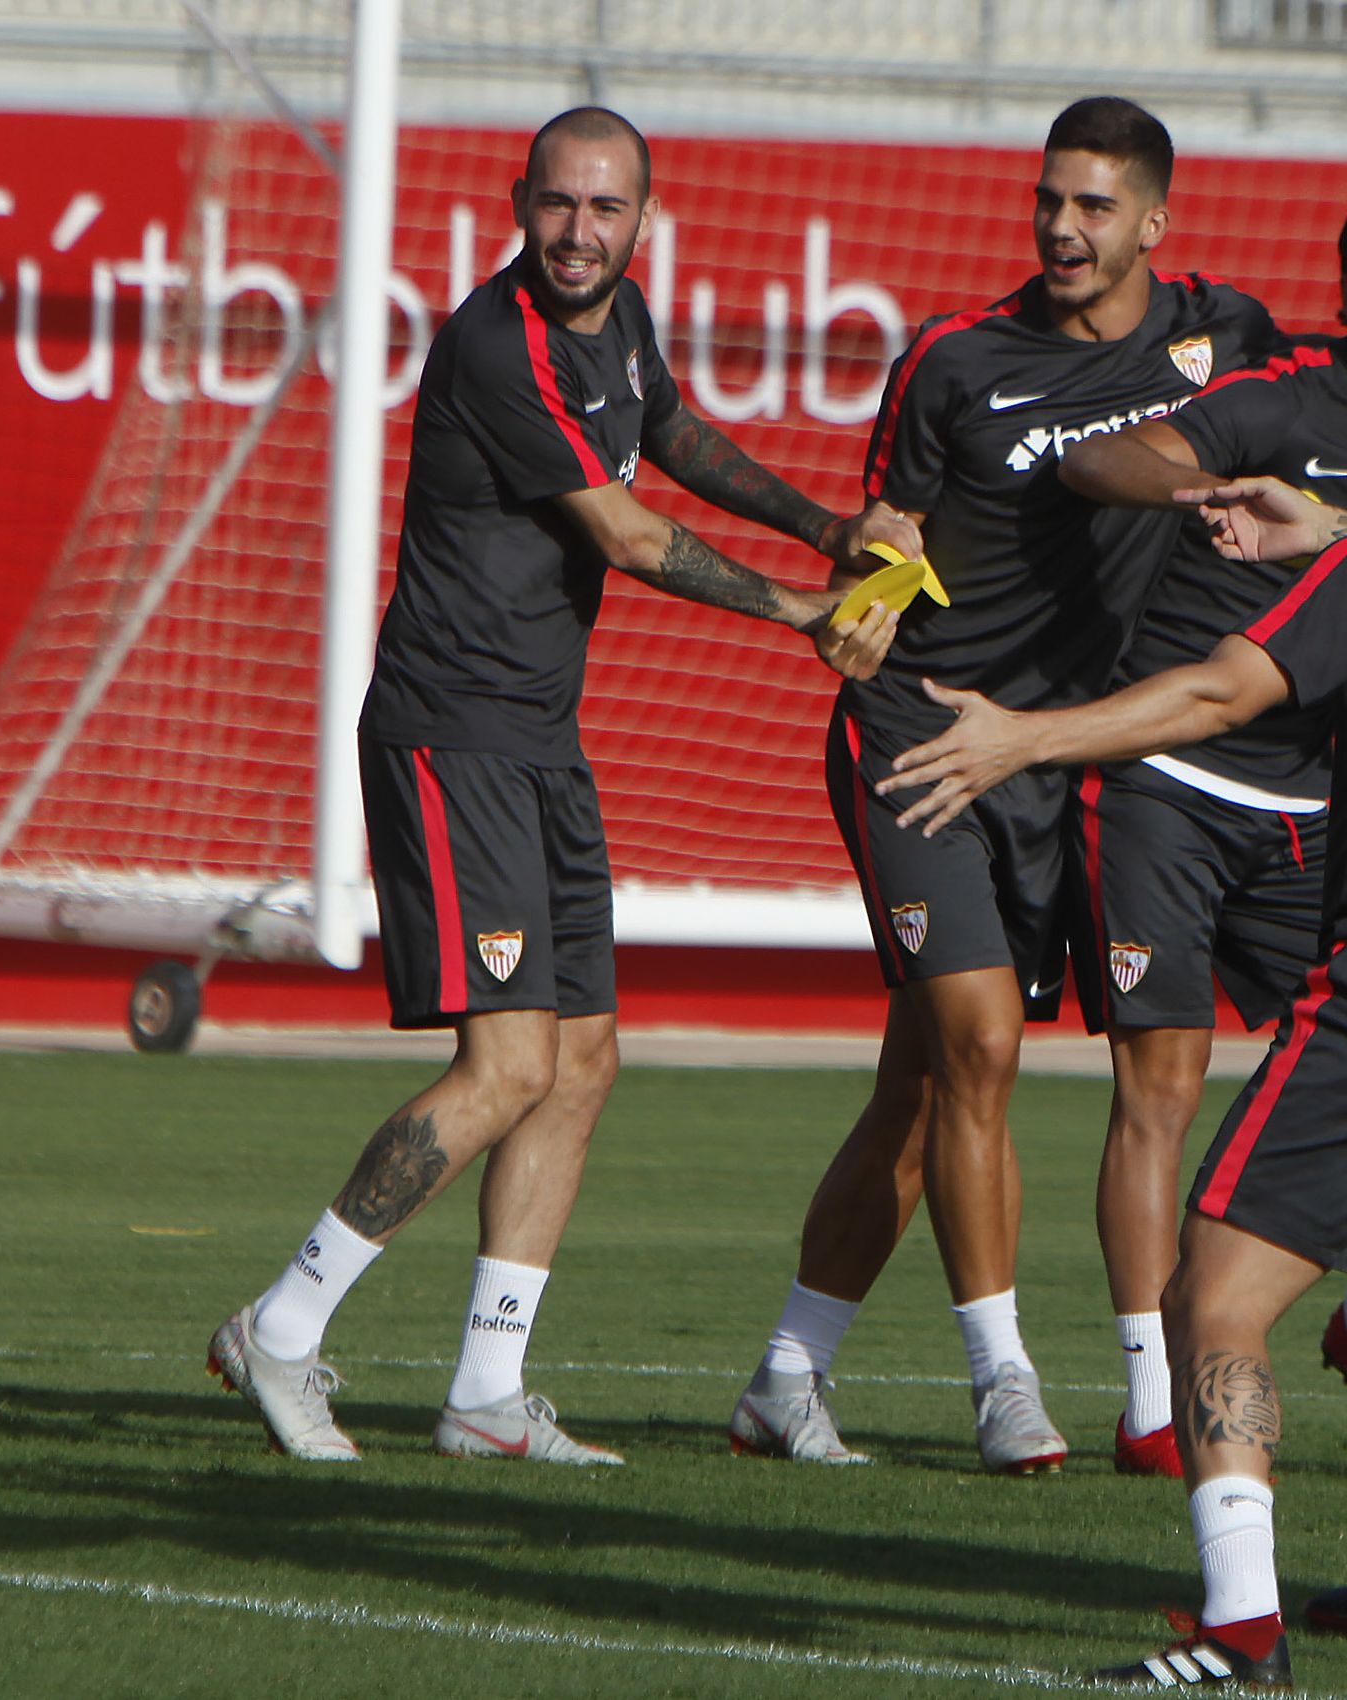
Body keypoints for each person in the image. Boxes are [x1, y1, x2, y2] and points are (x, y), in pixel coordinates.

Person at [207, 105, 908, 1465]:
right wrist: (808, 609)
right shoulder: (495, 343)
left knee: (581, 1064)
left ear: (644, 219)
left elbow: (678, 437)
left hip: (539, 737)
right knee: (508, 1062)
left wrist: (829, 523)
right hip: (450, 735)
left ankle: (485, 1391)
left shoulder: (620, 320)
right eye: (560, 205)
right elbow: (634, 535)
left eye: (607, 209)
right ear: (516, 201)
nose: (581, 232)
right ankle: (280, 1328)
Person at [880, 263, 1347, 1685]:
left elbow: (1216, 689)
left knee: (1214, 1297)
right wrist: (1337, 527)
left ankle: (1242, 1628)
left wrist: (1024, 739)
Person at [729, 97, 1278, 1473]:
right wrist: (869, 577)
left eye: (1095, 206)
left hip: (1048, 758)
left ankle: (786, 1374)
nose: (1063, 227)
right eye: (1050, 200)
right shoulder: (954, 362)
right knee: (978, 1047)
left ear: (1156, 220)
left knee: (921, 1087)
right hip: (919, 734)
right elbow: (889, 531)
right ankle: (1005, 1385)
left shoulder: (1226, 333)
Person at [1052, 176, 1347, 1476]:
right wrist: (1199, 488)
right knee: (1160, 1087)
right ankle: (1148, 1401)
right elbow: (1098, 454)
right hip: (1176, 791)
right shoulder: (1280, 402)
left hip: (1323, 820)